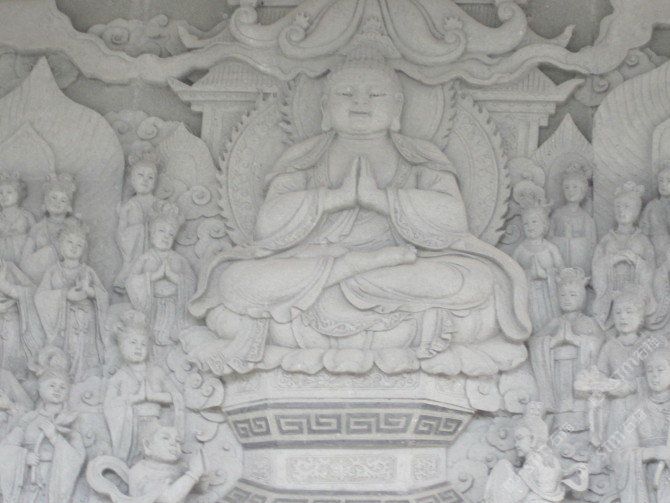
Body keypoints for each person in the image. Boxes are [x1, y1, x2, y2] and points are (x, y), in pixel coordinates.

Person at [189, 32, 530, 375]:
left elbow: (453, 221)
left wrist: (381, 200)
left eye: (375, 94)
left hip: (389, 277)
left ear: (397, 107)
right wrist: (333, 199)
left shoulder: (420, 158)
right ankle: (374, 297)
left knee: (478, 281)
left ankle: (336, 297)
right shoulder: (304, 158)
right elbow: (268, 226)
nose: (360, 102)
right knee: (235, 281)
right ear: (325, 108)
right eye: (346, 93)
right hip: (316, 271)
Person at [0, 348, 85, 503]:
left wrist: (54, 438)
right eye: (52, 385)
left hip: (54, 485)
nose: (57, 390)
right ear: (40, 388)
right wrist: (24, 458)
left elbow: (78, 457)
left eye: (62, 387)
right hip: (29, 487)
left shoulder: (70, 419)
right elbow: (4, 450)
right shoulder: (29, 419)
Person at [104, 309, 184, 463]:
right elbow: (109, 405)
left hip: (156, 426)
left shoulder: (157, 372)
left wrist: (153, 396)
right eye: (133, 343)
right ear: (121, 346)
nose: (138, 348)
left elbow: (176, 396)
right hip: (130, 430)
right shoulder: (118, 377)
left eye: (143, 344)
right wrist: (135, 398)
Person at [530, 267, 604, 433]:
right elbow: (534, 343)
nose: (567, 299)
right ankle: (559, 423)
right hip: (557, 372)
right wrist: (554, 341)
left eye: (573, 295)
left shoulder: (589, 323)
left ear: (582, 297)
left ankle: (583, 424)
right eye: (563, 295)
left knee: (578, 401)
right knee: (563, 401)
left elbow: (599, 343)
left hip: (579, 369)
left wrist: (576, 340)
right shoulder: (555, 323)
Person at [35, 219, 109, 382]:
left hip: (87, 320)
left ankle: (87, 378)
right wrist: (65, 295)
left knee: (85, 348)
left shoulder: (88, 271)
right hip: (64, 321)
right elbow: (40, 296)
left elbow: (103, 295)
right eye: (70, 242)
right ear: (61, 246)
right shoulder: (53, 271)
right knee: (70, 348)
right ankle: (66, 377)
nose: (74, 247)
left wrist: (89, 291)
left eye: (79, 245)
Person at [126, 202, 196, 363]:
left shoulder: (179, 260)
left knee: (172, 339)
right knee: (151, 338)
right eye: (161, 231)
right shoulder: (145, 258)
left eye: (171, 234)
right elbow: (131, 281)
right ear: (151, 234)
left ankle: (172, 362)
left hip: (174, 308)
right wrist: (153, 276)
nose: (166, 236)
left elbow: (192, 283)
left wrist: (174, 277)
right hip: (153, 308)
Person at [87, 423, 206, 503]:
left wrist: (202, 475)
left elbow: (201, 488)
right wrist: (193, 474)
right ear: (147, 446)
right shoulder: (140, 471)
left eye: (177, 440)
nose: (173, 443)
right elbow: (166, 499)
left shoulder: (180, 467)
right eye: (165, 438)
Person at [592, 181, 655, 329]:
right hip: (610, 294)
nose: (621, 211)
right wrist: (612, 259)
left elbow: (651, 268)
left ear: (637, 210)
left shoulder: (643, 240)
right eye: (618, 206)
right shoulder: (607, 240)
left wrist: (636, 260)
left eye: (627, 206)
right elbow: (596, 267)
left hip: (634, 296)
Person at [614, 348, 670, 502]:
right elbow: (622, 455)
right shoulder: (638, 412)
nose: (655, 376)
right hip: (648, 483)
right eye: (649, 371)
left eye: (660, 370)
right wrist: (654, 452)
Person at [513, 202, 564, 330]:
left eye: (534, 221)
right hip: (529, 295)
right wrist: (527, 274)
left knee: (551, 323)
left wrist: (547, 275)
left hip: (549, 296)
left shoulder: (551, 248)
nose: (530, 226)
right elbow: (512, 273)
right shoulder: (520, 250)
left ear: (544, 224)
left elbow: (562, 273)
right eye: (526, 223)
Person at [20, 173, 77, 284]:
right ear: (45, 202)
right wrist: (47, 253)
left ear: (69, 206)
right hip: (39, 280)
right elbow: (24, 263)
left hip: (66, 279)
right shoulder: (37, 228)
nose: (57, 203)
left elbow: (82, 259)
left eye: (63, 200)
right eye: (53, 198)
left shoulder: (73, 227)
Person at [114, 160, 160, 293]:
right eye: (140, 175)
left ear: (155, 183)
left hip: (154, 247)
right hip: (135, 248)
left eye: (150, 177)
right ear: (132, 180)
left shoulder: (159, 204)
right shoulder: (129, 205)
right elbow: (121, 233)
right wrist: (138, 229)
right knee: (139, 229)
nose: (145, 180)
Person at [549, 163, 597, 275]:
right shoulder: (557, 215)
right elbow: (549, 239)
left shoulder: (586, 218)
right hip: (560, 266)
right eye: (567, 187)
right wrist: (564, 240)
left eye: (575, 187)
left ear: (583, 190)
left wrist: (574, 241)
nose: (571, 191)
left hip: (579, 268)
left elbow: (591, 244)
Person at [0, 172, 34, 263]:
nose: (4, 196)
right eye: (1, 193)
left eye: (9, 192)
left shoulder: (26, 215)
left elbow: (35, 235)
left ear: (19, 194)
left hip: (22, 255)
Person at [640, 164, 670, 265]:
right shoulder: (651, 206)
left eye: (669, 181)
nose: (663, 184)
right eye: (661, 181)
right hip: (654, 251)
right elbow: (643, 230)